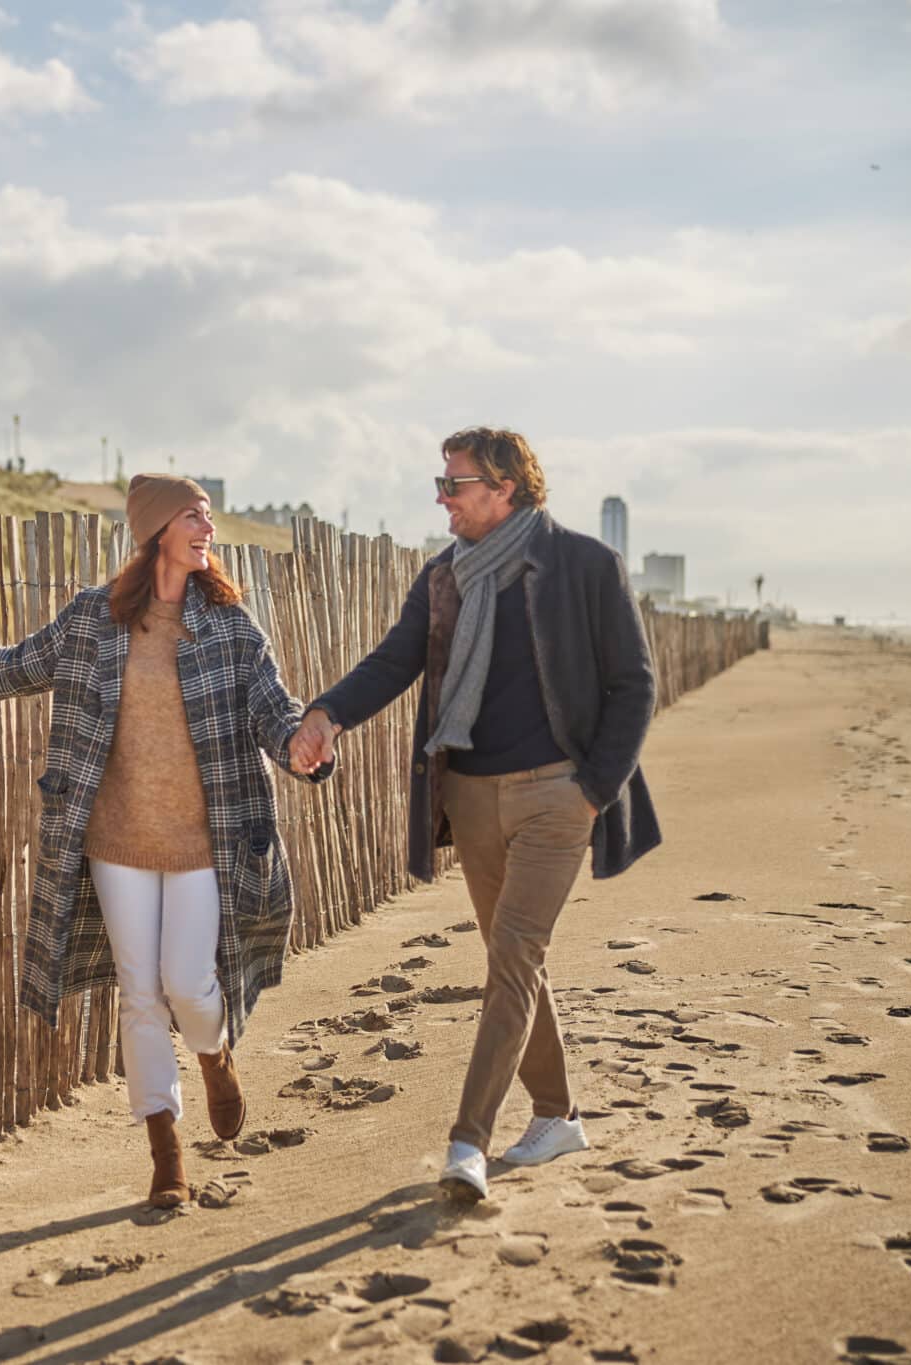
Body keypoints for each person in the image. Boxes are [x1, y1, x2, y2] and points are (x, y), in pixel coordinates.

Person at [0, 475, 331, 1208]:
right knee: (139, 994)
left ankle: (214, 1053)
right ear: (157, 528)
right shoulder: (91, 621)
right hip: (114, 843)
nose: (208, 526)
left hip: (203, 843)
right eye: (193, 515)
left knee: (189, 985)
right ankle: (166, 1154)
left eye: (207, 515)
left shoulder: (230, 625)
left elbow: (273, 710)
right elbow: (18, 664)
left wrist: (298, 745)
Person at [289, 428, 658, 1206]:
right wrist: (327, 713)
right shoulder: (444, 578)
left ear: (505, 489)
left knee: (513, 959)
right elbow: (395, 661)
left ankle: (469, 1142)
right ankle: (557, 1116)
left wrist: (592, 789)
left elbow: (635, 684)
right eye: (443, 480)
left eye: (454, 483)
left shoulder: (586, 566)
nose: (442, 496)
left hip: (557, 796)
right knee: (514, 960)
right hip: (471, 797)